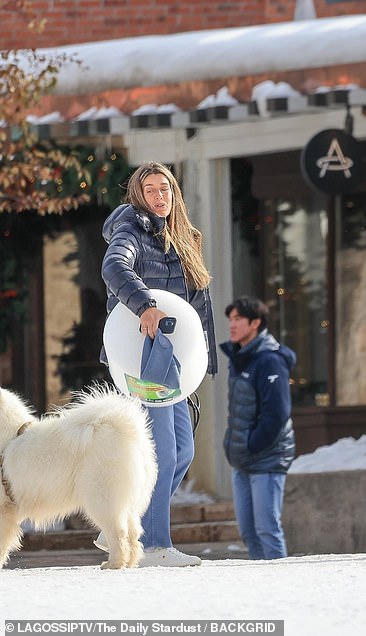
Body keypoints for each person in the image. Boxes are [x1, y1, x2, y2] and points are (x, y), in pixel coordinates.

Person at [100, 161, 218, 567]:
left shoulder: (182, 237)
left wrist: (200, 361)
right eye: (150, 189)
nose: (159, 196)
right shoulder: (130, 230)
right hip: (144, 357)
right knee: (162, 451)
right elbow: (114, 267)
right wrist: (145, 305)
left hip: (174, 361)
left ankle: (124, 524)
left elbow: (196, 307)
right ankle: (152, 546)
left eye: (165, 188)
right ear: (138, 195)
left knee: (183, 451)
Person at [220, 296, 296, 560]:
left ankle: (281, 585)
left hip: (267, 458)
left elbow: (277, 414)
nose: (232, 325)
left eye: (238, 319)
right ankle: (260, 586)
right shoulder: (240, 357)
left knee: (267, 530)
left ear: (256, 323)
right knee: (248, 532)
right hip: (243, 458)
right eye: (231, 319)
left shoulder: (269, 361)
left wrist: (252, 444)